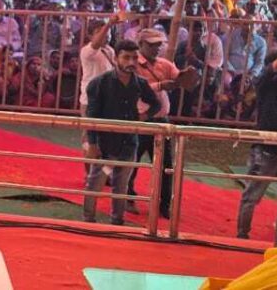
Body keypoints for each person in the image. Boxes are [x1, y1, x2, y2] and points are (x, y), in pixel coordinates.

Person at [83, 40, 164, 225]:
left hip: (129, 142)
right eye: (126, 57)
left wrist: (143, 116)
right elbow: (92, 115)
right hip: (105, 144)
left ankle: (117, 221)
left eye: (134, 58)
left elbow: (156, 104)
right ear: (116, 58)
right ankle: (88, 220)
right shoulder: (99, 83)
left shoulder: (140, 83)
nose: (131, 62)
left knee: (121, 185)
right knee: (96, 182)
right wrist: (92, 144)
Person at [127, 28, 194, 218]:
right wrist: (160, 86)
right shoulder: (132, 63)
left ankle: (164, 205)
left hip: (161, 121)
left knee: (166, 166)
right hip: (141, 119)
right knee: (131, 162)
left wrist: (187, 75)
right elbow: (133, 87)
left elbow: (186, 82)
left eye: (158, 44)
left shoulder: (165, 64)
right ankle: (127, 198)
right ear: (141, 44)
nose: (156, 48)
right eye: (152, 45)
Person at [237, 47, 277, 239]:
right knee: (252, 194)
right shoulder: (266, 84)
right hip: (266, 148)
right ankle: (242, 234)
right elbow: (267, 72)